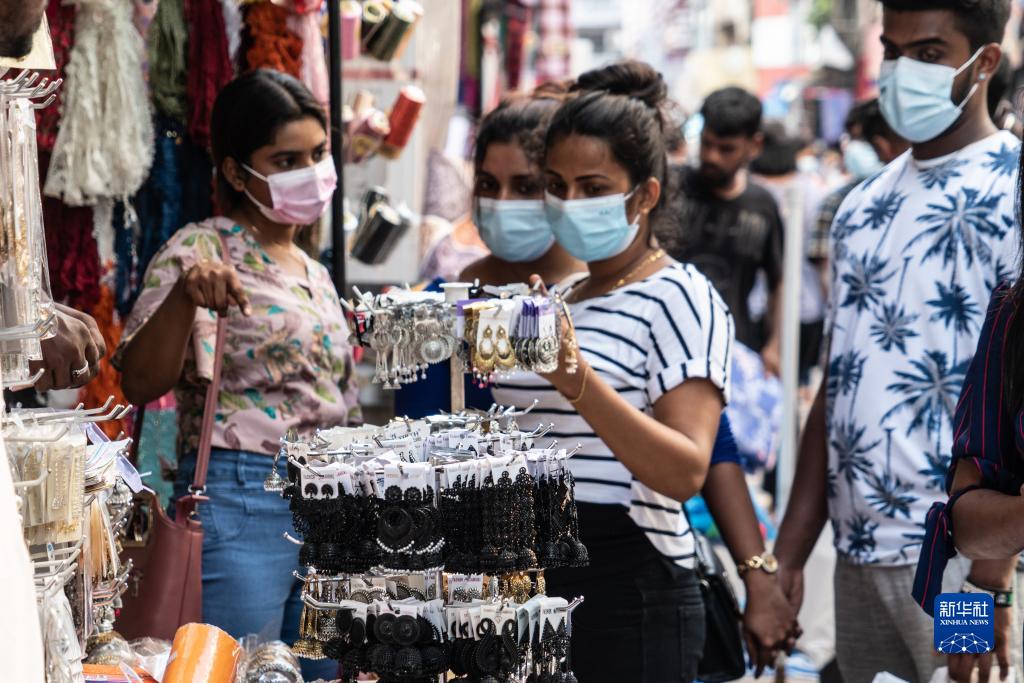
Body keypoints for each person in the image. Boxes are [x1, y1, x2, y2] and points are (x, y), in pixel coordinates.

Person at [774, 1, 1018, 682]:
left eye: (931, 53)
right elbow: (839, 386)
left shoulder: (1013, 190)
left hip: (959, 568)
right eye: (894, 49)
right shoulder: (858, 207)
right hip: (857, 558)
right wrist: (786, 557)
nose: (903, 70)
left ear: (985, 62)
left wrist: (988, 583)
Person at [489, 60, 751, 682]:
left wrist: (575, 378)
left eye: (592, 186)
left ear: (645, 194)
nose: (569, 202)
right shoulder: (563, 296)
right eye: (555, 184)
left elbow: (687, 468)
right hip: (529, 587)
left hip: (629, 593)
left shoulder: (681, 296)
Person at [115, 69, 360, 680]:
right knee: (232, 667)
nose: (311, 171)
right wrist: (183, 298)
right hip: (245, 495)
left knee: (319, 671)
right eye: (287, 159)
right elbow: (140, 382)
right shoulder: (200, 249)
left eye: (318, 154)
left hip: (331, 505)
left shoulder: (314, 268)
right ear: (233, 172)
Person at [657, 87, 785, 375]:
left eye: (726, 149)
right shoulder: (671, 188)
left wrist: (775, 345)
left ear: (754, 146)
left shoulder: (762, 205)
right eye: (706, 143)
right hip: (667, 345)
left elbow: (778, 281)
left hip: (734, 355)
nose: (712, 156)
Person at [751, 125, 830, 386]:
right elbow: (822, 264)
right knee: (795, 387)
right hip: (806, 308)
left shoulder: (750, 192)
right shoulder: (814, 192)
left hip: (755, 307)